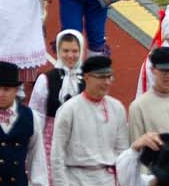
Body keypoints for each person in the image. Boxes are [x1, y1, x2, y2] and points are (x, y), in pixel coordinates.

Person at [49, 54, 127, 186]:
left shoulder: (117, 108)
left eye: (109, 77)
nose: (107, 82)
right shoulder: (69, 110)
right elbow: (57, 155)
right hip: (76, 179)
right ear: (86, 77)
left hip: (108, 179)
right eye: (101, 77)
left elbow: (122, 150)